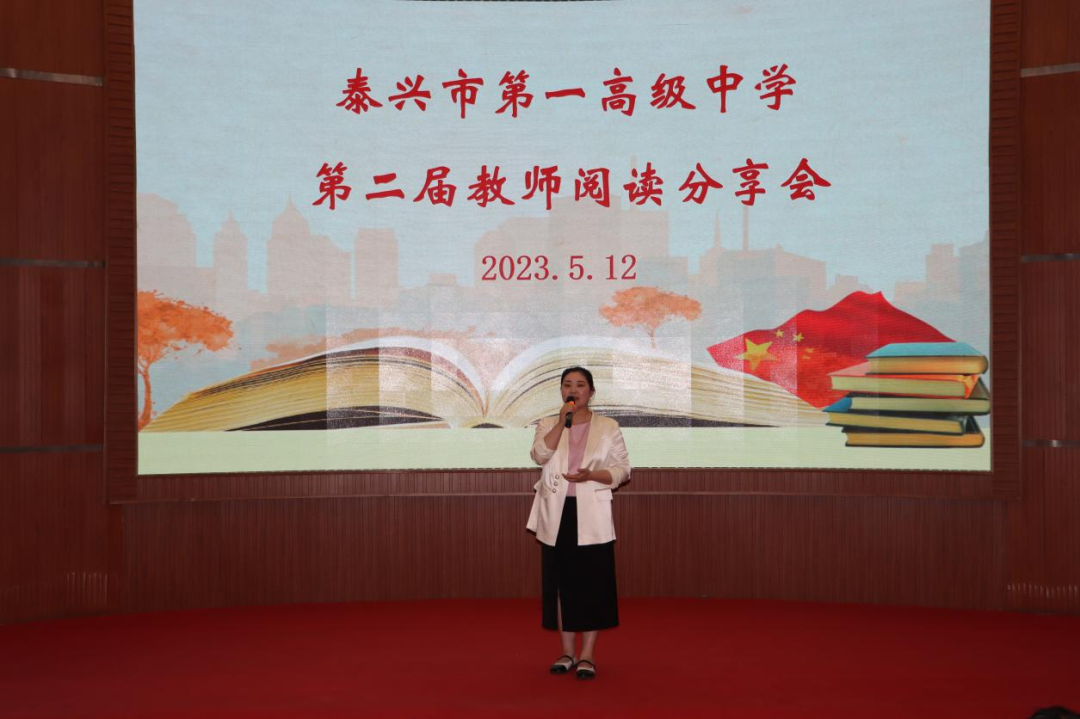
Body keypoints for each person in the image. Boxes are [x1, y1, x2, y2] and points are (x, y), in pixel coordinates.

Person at [526, 366, 631, 680]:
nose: (573, 390)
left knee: (591, 585)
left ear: (591, 392)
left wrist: (592, 475)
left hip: (591, 512)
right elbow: (539, 455)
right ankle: (567, 652)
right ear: (561, 391)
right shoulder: (548, 423)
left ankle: (587, 655)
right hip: (556, 514)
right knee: (561, 585)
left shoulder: (608, 427)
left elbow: (623, 469)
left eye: (580, 385)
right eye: (567, 385)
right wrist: (562, 422)